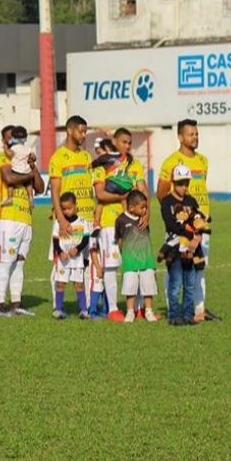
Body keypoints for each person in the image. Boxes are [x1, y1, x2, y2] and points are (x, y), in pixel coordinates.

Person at [157, 119, 219, 322]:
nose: (195, 137)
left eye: (197, 134)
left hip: (201, 227)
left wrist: (198, 223)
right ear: (180, 136)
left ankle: (198, 309)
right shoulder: (171, 162)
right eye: (191, 134)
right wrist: (179, 220)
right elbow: (162, 194)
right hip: (181, 228)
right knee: (174, 268)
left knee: (199, 267)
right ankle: (173, 309)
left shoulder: (203, 161)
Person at [92, 128, 148, 322]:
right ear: (114, 142)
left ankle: (139, 308)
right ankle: (113, 309)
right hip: (110, 222)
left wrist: (146, 213)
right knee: (111, 266)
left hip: (134, 222)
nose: (128, 145)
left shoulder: (134, 164)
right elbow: (100, 194)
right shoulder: (103, 164)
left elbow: (142, 190)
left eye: (130, 142)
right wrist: (123, 196)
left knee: (137, 264)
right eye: (124, 142)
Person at [0, 125, 44, 317]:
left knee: (20, 262)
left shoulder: (26, 159)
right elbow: (9, 178)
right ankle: (0, 305)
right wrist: (29, 173)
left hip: (25, 218)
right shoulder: (2, 157)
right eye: (9, 138)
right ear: (4, 141)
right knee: (6, 262)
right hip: (8, 218)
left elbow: (40, 188)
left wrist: (33, 167)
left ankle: (16, 304)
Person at [49, 116, 97, 315]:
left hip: (87, 219)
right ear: (70, 131)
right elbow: (55, 191)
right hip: (68, 221)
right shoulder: (58, 157)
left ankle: (86, 308)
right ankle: (58, 306)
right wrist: (61, 219)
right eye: (81, 131)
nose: (84, 135)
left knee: (87, 264)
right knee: (61, 263)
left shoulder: (86, 157)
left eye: (85, 131)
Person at [159, 165, 207, 326]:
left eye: (186, 183)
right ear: (173, 182)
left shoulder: (191, 201)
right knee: (175, 284)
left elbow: (198, 221)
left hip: (192, 249)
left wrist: (197, 237)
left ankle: (188, 314)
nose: (184, 187)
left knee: (190, 284)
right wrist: (190, 235)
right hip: (174, 248)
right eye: (180, 184)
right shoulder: (166, 202)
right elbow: (170, 224)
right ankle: (174, 315)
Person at [116, 190, 159, 323]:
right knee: (130, 287)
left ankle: (149, 311)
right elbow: (119, 238)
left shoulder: (144, 219)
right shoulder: (121, 220)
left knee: (148, 286)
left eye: (146, 207)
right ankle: (130, 312)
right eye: (142, 207)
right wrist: (124, 250)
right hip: (130, 260)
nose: (145, 210)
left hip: (146, 259)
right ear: (131, 207)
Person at [51, 192, 92, 320]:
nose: (66, 211)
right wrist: (60, 252)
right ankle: (58, 310)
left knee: (79, 284)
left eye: (69, 208)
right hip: (63, 261)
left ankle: (84, 310)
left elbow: (86, 239)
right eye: (63, 209)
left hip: (77, 260)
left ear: (75, 205)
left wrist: (77, 249)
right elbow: (55, 241)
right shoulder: (59, 223)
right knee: (60, 284)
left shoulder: (83, 222)